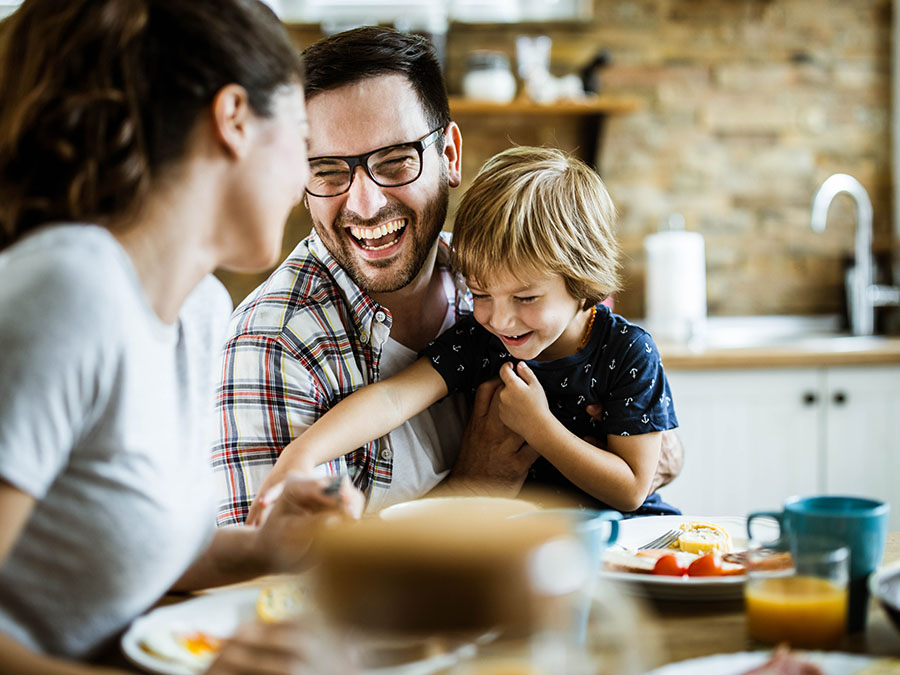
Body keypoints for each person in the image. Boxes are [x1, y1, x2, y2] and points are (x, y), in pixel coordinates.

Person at [0, 1, 361, 673]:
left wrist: (270, 546)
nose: (307, 178)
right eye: (305, 136)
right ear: (234, 119)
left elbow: (121, 547)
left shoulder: (197, 310)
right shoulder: (69, 289)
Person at [213, 26, 684, 523]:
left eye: (395, 162)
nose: (366, 203)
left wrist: (628, 440)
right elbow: (282, 582)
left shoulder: (492, 272)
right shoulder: (273, 343)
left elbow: (645, 467)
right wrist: (476, 488)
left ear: (450, 156)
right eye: (328, 170)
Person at [247, 146, 679, 520]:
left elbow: (631, 489)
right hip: (523, 543)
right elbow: (393, 398)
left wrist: (540, 427)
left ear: (583, 280)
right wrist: (301, 454)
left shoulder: (627, 351)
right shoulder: (480, 339)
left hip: (626, 540)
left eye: (526, 299)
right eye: (481, 293)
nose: (501, 319)